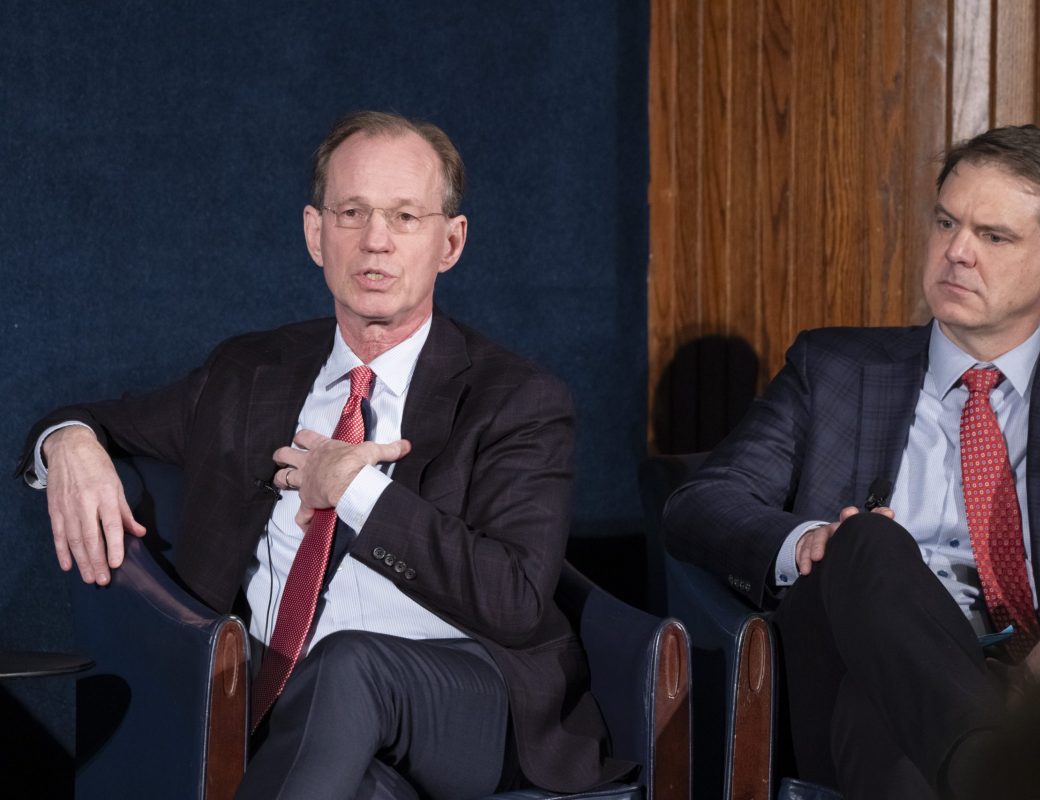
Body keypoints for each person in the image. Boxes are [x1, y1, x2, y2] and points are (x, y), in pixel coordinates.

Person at [20, 110, 630, 799]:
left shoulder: (515, 398)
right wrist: (68, 442)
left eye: (405, 217)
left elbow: (514, 601)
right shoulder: (248, 373)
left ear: (450, 242)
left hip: (465, 701)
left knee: (349, 665)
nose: (376, 241)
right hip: (286, 711)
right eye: (352, 213)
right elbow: (93, 419)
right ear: (316, 233)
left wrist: (356, 491)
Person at [662, 124, 1040, 799]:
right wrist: (810, 542)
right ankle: (998, 772)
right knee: (868, 539)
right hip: (865, 655)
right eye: (947, 223)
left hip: (1033, 684)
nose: (956, 252)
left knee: (889, 733)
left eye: (993, 237)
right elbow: (701, 502)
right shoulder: (832, 369)